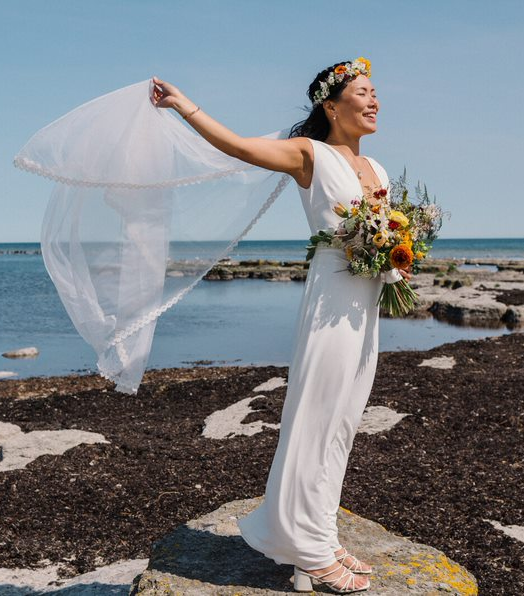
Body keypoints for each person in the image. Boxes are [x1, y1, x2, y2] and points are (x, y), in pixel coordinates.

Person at [152, 58, 412, 594]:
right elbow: (238, 147)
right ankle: (308, 552)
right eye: (363, 93)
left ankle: (319, 532)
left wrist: (396, 256)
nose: (374, 101)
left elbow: (385, 234)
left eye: (375, 92)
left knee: (343, 420)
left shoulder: (380, 171)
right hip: (331, 298)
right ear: (331, 105)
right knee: (315, 415)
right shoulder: (307, 155)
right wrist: (184, 106)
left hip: (365, 303)